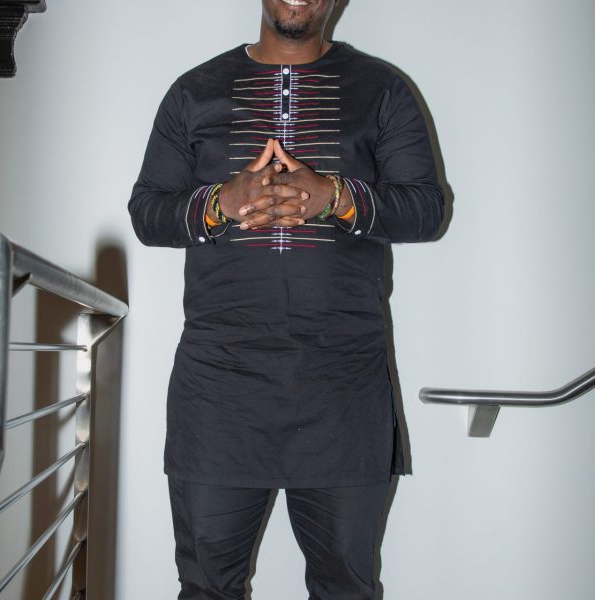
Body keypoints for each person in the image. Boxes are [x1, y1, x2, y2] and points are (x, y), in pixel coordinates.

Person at [128, 1, 444, 597]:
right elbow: (148, 211)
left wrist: (337, 197)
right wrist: (219, 202)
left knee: (345, 587)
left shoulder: (382, 90)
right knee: (206, 588)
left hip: (344, 387)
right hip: (219, 387)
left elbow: (426, 209)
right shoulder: (193, 92)